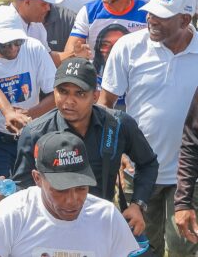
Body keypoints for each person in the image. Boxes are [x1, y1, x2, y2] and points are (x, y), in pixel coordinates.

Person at [100, 0, 198, 255]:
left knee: (183, 250)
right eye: (150, 12)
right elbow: (105, 104)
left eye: (161, 15)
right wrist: (113, 148)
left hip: (190, 177)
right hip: (138, 171)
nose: (151, 19)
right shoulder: (129, 47)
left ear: (185, 20)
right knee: (141, 248)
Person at [11, 58, 157, 237]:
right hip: (48, 228)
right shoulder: (35, 133)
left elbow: (148, 164)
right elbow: (22, 189)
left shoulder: (118, 125)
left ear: (95, 96)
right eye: (62, 91)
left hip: (100, 226)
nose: (69, 101)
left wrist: (137, 205)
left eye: (79, 93)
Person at [0, 131, 139, 256]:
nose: (72, 200)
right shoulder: (10, 215)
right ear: (37, 178)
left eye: (81, 188)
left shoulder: (107, 216)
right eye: (60, 190)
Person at [0, 10, 56, 180]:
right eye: (6, 44)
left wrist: (30, 113)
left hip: (31, 134)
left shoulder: (35, 49)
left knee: (31, 189)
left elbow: (56, 94)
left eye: (18, 41)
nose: (14, 48)